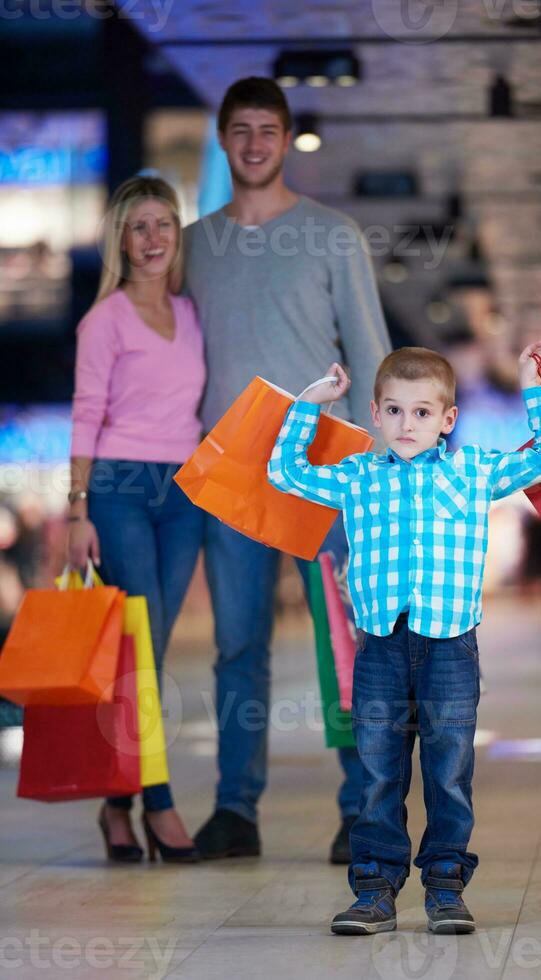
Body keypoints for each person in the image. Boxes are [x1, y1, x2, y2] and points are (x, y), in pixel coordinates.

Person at [268, 343, 541, 935]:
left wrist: (532, 384)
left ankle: (446, 885)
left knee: (449, 769)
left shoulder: (474, 471)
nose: (408, 425)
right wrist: (310, 404)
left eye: (423, 413)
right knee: (378, 770)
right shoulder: (357, 477)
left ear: (447, 419)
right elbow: (283, 473)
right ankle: (376, 889)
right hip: (380, 644)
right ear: (376, 416)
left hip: (451, 645)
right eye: (395, 411)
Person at [184, 77, 391, 863]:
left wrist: (382, 461)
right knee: (238, 645)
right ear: (224, 138)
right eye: (240, 130)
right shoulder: (197, 244)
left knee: (345, 638)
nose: (255, 143)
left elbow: (370, 349)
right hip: (231, 466)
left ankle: (362, 808)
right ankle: (235, 810)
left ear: (287, 136)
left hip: (324, 462)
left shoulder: (334, 234)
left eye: (268, 129)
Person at [68, 175, 206, 864]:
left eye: (164, 225)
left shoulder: (191, 312)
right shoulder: (105, 320)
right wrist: (76, 509)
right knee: (142, 646)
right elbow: (86, 413)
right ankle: (158, 802)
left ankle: (114, 806)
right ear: (121, 239)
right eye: (139, 226)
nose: (154, 239)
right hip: (119, 487)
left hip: (184, 492)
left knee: (148, 649)